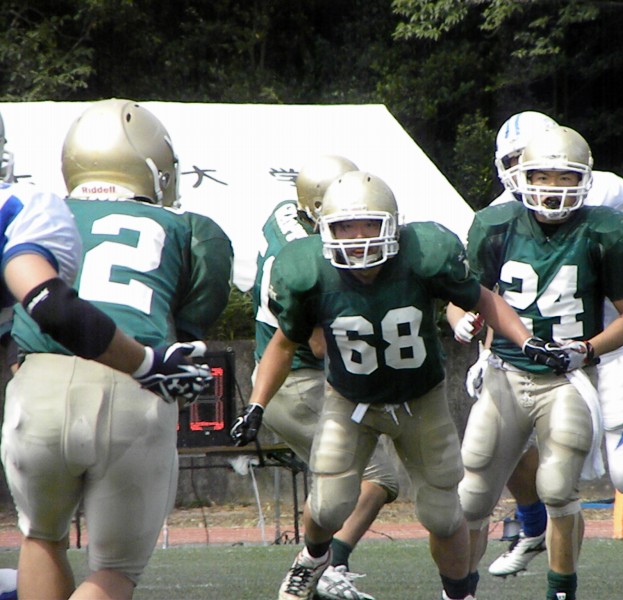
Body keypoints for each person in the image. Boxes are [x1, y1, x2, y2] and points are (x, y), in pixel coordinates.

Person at [231, 170, 556, 600]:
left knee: (443, 515)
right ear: (325, 228)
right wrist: (256, 405)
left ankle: (459, 594)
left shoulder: (425, 254)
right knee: (328, 505)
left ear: (393, 225)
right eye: (346, 227)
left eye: (368, 224)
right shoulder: (306, 269)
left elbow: (482, 298)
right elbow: (284, 342)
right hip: (349, 401)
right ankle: (311, 559)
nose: (358, 238)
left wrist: (526, 340)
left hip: (420, 400)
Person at [459, 113, 623, 599]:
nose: (544, 183)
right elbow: (500, 299)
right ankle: (531, 528)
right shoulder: (499, 218)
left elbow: (612, 193)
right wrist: (486, 351)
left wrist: (561, 188)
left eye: (558, 172)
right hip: (541, 353)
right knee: (502, 446)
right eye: (517, 162)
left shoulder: (599, 199)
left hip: (613, 344)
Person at [3, 99, 232, 600]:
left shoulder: (36, 211)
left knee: (41, 539)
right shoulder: (189, 228)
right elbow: (192, 318)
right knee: (114, 569)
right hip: (133, 380)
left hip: (35, 386)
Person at [247, 155, 399, 600]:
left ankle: (320, 565)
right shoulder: (310, 258)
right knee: (377, 478)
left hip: (286, 381)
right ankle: (327, 564)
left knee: (339, 482)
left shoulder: (284, 216)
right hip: (298, 381)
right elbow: (319, 343)